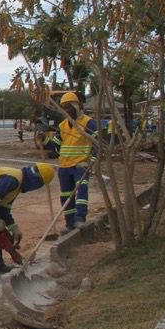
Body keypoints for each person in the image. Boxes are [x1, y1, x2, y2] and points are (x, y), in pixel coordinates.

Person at [57, 91, 98, 230]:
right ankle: (69, 223)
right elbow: (56, 145)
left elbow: (99, 142)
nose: (67, 110)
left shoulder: (88, 122)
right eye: (64, 108)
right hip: (64, 166)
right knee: (65, 195)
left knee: (81, 191)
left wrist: (92, 160)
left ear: (76, 106)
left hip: (81, 165)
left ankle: (80, 218)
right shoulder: (62, 125)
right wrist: (43, 139)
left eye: (69, 107)